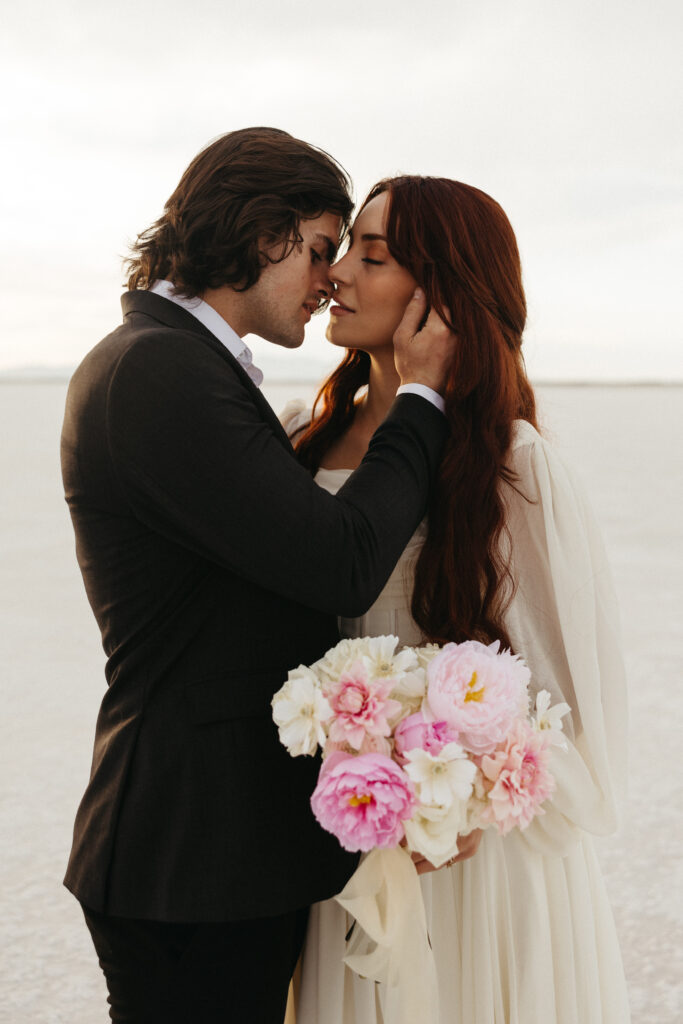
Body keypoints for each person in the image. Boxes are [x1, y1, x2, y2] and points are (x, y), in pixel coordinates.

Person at [60, 130, 457, 1023]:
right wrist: (421, 400)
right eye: (320, 249)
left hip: (215, 855)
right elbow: (341, 561)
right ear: (256, 231)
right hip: (187, 860)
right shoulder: (158, 371)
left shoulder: (176, 364)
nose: (329, 279)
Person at [284, 176, 631, 1023]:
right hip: (349, 848)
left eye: (371, 256)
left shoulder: (512, 466)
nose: (335, 275)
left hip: (480, 873)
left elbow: (572, 710)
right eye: (340, 251)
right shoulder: (298, 442)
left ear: (440, 294)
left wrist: (456, 799)